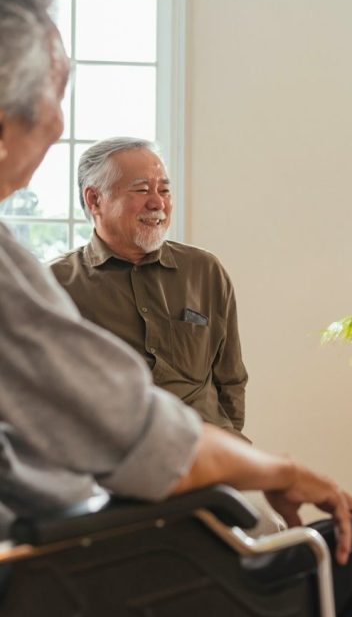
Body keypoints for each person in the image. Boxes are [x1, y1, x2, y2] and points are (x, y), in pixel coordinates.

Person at [0, 0, 352, 617]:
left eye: (163, 187)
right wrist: (275, 469)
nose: (58, 120)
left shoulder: (202, 269)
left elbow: (223, 387)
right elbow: (139, 438)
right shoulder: (35, 280)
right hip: (70, 590)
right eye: (53, 92)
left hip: (71, 555)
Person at [50, 137, 248, 440]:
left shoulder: (205, 270)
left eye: (164, 190)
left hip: (205, 452)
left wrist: (230, 446)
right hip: (112, 460)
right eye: (142, 189)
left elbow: (231, 379)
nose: (158, 202)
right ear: (94, 200)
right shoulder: (55, 283)